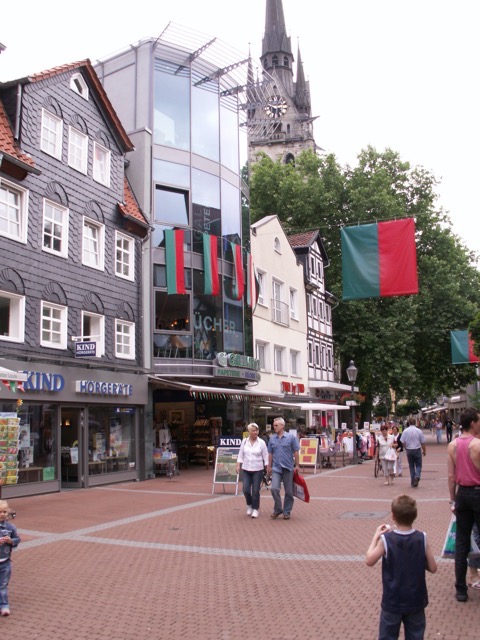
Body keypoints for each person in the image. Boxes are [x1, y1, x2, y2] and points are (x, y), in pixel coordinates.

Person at [365, 495, 437, 640]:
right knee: (416, 635)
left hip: (393, 600)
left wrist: (376, 536)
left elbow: (369, 560)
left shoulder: (387, 540)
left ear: (393, 516)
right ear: (415, 516)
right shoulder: (422, 537)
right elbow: (433, 567)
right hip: (416, 600)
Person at [447, 407, 480, 602]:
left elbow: (451, 476)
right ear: (473, 423)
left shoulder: (452, 445)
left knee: (462, 542)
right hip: (477, 492)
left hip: (462, 495)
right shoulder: (477, 445)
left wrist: (453, 499)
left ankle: (460, 589)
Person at [267, 417, 300, 520]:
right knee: (274, 489)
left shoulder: (291, 437)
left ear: (282, 426)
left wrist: (297, 465)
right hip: (276, 467)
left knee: (289, 491)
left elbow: (296, 451)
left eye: (276, 425)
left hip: (288, 467)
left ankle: (286, 511)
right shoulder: (272, 438)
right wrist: (269, 465)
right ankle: (278, 509)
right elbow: (270, 453)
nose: (274, 427)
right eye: (274, 425)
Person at [236, 423, 269, 519]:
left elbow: (265, 455)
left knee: (255, 490)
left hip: (258, 469)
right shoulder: (244, 441)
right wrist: (238, 465)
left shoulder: (261, 442)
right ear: (249, 432)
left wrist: (267, 467)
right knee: (245, 490)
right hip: (246, 468)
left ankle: (255, 509)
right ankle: (249, 504)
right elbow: (241, 454)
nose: (255, 432)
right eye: (253, 430)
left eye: (257, 430)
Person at [0, 500, 21, 617]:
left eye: (4, 512)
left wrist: (11, 541)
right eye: (0, 512)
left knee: (3, 585)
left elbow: (17, 539)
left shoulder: (10, 527)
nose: (2, 514)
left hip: (5, 561)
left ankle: (4, 605)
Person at [400, 419, 426, 488]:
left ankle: (413, 481)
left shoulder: (405, 431)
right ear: (415, 423)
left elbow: (402, 441)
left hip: (409, 450)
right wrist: (424, 450)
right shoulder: (419, 431)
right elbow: (422, 442)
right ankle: (417, 476)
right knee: (418, 465)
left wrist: (405, 447)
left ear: (408, 423)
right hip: (417, 449)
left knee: (411, 466)